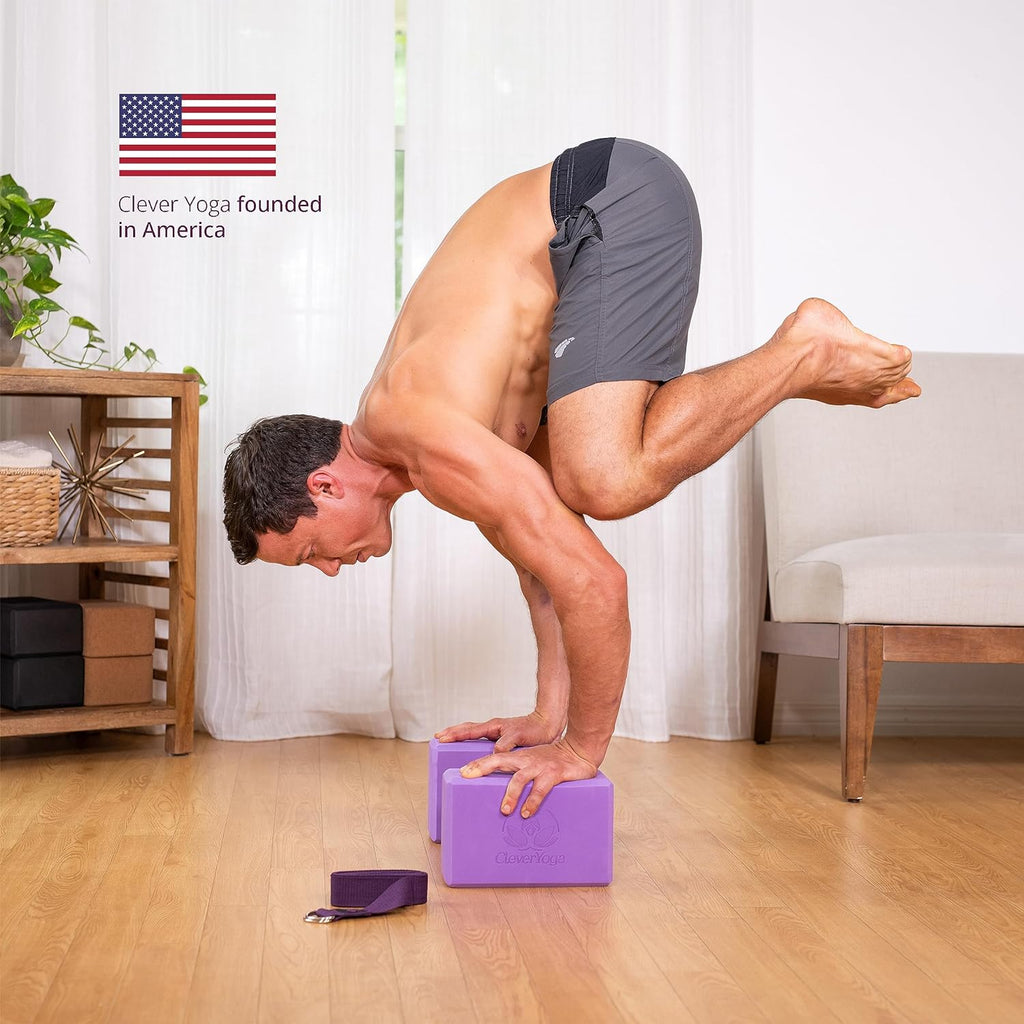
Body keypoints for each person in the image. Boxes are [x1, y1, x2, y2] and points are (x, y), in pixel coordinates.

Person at [223, 138, 919, 819]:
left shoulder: (417, 430)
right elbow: (545, 576)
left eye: (311, 551)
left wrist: (580, 751)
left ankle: (805, 350)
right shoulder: (424, 447)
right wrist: (548, 717)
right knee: (574, 487)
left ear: (323, 486)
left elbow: (595, 584)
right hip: (596, 212)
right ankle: (800, 361)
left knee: (602, 479)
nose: (331, 569)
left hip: (605, 198)